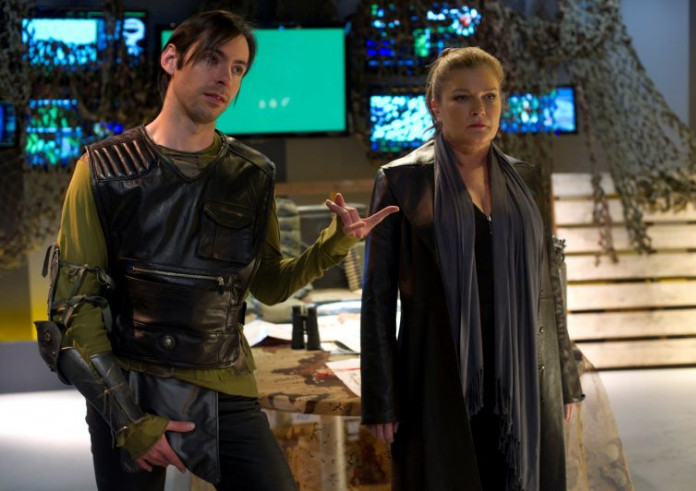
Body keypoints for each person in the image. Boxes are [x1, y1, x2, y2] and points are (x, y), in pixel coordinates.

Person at [34, 10, 397, 491]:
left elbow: (270, 285)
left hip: (222, 382)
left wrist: (337, 243)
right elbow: (74, 308)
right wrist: (129, 421)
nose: (225, 76)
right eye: (211, 58)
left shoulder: (252, 174)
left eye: (238, 67)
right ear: (171, 59)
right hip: (127, 384)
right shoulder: (103, 168)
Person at [360, 47, 584, 491]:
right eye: (462, 97)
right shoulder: (402, 180)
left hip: (526, 374)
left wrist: (564, 376)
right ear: (436, 106)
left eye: (489, 96)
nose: (479, 109)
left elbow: (549, 285)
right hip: (438, 375)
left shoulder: (525, 179)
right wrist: (382, 399)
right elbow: (378, 297)